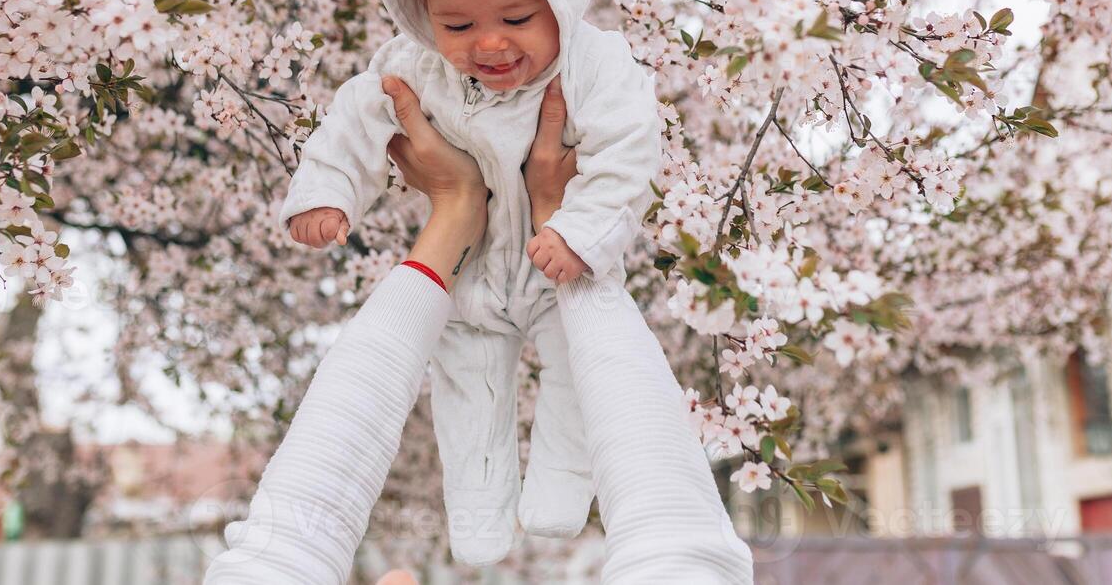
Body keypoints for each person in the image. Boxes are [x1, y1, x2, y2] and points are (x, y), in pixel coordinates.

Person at [204, 76, 753, 584]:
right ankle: (508, 507)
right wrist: (574, 226)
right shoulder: (583, 67)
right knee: (483, 390)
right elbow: (679, 547)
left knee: (484, 387)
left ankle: (527, 501)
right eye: (460, 25)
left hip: (501, 266)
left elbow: (280, 557)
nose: (490, 42)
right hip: (546, 261)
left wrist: (445, 208)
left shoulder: (419, 68)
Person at [278, 0, 662, 563]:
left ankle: (561, 484)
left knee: (580, 372)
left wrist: (582, 231)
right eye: (457, 27)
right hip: (471, 272)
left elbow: (629, 150)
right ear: (422, 14)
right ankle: (479, 508)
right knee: (466, 383)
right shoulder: (414, 67)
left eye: (517, 17)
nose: (489, 44)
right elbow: (356, 118)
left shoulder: (595, 65)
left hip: (559, 263)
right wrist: (328, 190)